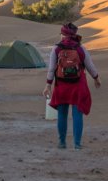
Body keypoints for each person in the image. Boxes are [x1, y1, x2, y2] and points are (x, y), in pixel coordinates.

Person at [43, 22, 101, 150]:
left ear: (63, 35)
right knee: (77, 115)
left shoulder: (56, 49)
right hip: (78, 86)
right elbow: (90, 66)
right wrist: (96, 78)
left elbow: (52, 69)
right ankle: (77, 144)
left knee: (62, 115)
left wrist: (48, 85)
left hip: (61, 86)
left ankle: (62, 142)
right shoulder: (80, 48)